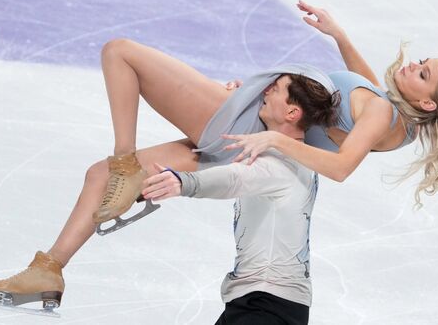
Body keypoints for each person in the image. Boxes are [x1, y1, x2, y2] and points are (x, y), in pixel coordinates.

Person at [0, 0, 438, 310]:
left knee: (120, 51)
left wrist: (277, 138)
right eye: (423, 61)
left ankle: (126, 162)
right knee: (97, 176)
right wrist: (340, 36)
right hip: (251, 138)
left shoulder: (382, 116)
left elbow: (342, 168)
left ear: (427, 101)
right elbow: (365, 89)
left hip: (249, 124)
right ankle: (49, 269)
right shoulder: (398, 123)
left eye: (423, 72)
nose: (414, 64)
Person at [139, 73, 340, 325]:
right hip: (266, 302)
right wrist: (244, 96)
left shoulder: (282, 164)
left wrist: (184, 182)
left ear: (292, 113)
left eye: (275, 90)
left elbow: (235, 178)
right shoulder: (301, 155)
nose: (266, 92)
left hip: (266, 305)